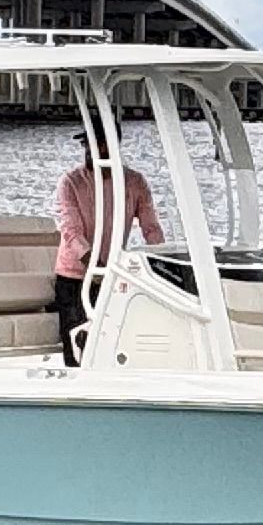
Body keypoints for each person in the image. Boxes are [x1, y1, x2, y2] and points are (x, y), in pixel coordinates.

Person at [52, 120, 161, 364]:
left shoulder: (135, 182)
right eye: (86, 144)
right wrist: (95, 265)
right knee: (77, 346)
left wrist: (159, 261)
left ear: (110, 144)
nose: (88, 150)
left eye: (95, 143)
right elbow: (71, 232)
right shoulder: (70, 182)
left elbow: (151, 228)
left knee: (111, 344)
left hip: (112, 275)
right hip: (74, 276)